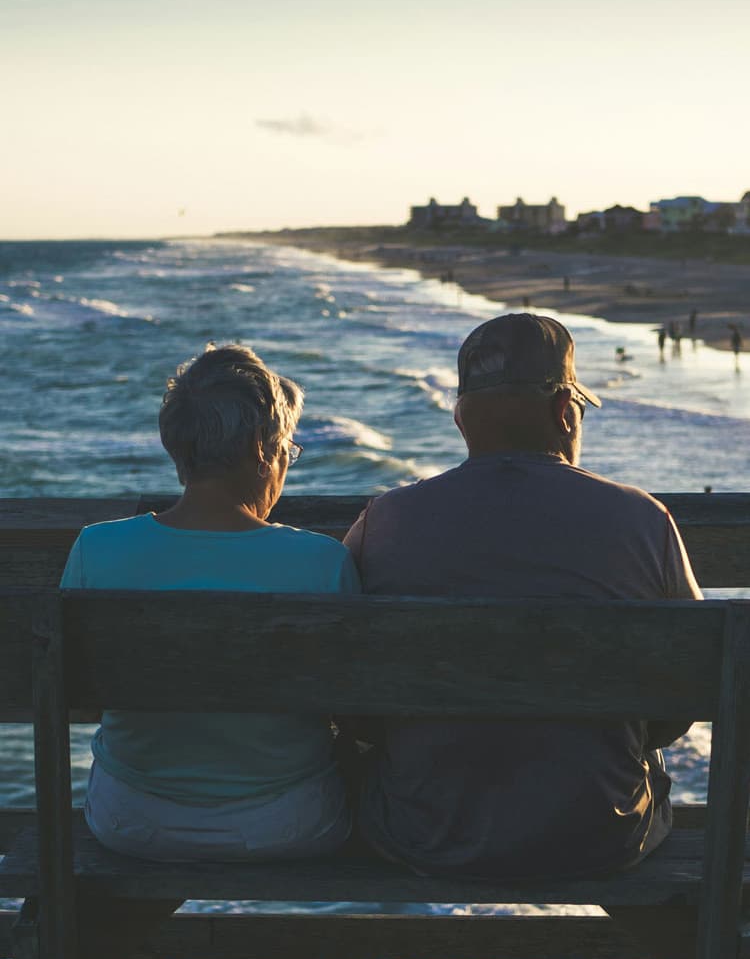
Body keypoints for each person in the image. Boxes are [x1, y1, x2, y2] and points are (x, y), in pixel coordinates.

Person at [344, 313, 701, 879]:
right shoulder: (642, 519)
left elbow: (346, 692)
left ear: (461, 420)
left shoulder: (383, 520)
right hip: (600, 835)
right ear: (565, 413)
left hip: (424, 833)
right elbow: (688, 690)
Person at [61, 343, 360, 862]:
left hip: (130, 820)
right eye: (287, 449)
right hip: (288, 825)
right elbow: (358, 710)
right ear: (261, 449)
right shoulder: (321, 562)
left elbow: (76, 693)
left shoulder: (96, 548)